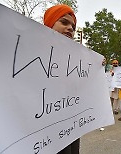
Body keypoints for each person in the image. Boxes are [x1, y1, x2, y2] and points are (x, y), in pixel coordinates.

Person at [44, 4, 79, 154]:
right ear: (49, 24)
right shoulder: (29, 54)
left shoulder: (76, 59)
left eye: (73, 26)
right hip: (44, 131)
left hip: (72, 125)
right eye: (64, 22)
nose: (70, 28)